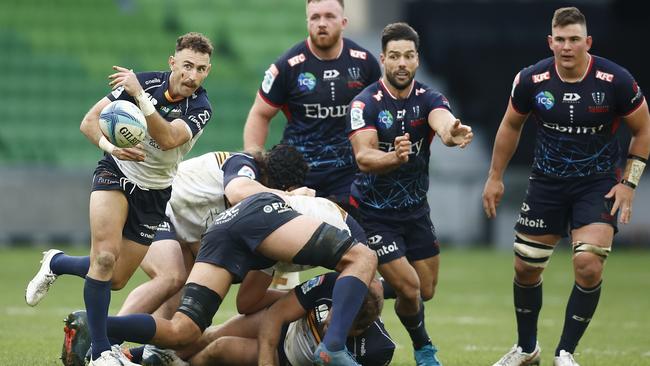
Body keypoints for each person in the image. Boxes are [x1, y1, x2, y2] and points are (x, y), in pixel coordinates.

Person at [25, 32, 215, 365]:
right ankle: (100, 353)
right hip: (115, 173)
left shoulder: (200, 107)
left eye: (200, 69)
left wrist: (139, 96)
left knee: (115, 278)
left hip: (154, 193)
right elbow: (89, 122)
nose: (192, 75)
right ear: (173, 63)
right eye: (187, 66)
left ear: (207, 71)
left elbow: (169, 138)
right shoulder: (145, 82)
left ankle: (57, 262)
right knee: (104, 259)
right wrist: (114, 149)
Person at [482, 7, 650, 366]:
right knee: (526, 268)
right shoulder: (531, 80)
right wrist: (495, 177)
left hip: (598, 184)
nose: (567, 46)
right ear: (550, 42)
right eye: (560, 39)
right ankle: (527, 349)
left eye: (574, 39)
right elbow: (511, 126)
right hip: (547, 185)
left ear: (587, 41)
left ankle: (565, 352)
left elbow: (643, 128)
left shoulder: (616, 80)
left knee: (589, 264)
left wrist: (629, 184)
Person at [61, 191, 378, 366]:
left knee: (183, 331)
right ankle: (333, 349)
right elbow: (369, 280)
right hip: (263, 213)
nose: (325, 321)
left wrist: (296, 298)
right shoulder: (350, 239)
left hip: (229, 227)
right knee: (365, 258)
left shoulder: (293, 245)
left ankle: (95, 324)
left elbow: (248, 302)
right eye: (336, 317)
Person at [346, 23, 473, 366]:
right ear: (383, 58)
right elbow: (364, 157)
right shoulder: (364, 103)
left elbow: (442, 121)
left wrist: (451, 132)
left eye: (409, 56)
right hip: (373, 213)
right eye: (395, 56)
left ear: (417, 60)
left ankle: (356, 287)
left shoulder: (429, 98)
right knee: (411, 287)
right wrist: (393, 157)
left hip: (415, 211)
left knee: (425, 290)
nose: (402, 63)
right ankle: (425, 350)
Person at [243, 0, 381, 201]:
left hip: (348, 175)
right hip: (299, 174)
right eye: (315, 17)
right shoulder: (287, 66)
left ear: (343, 22)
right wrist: (253, 164)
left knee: (351, 230)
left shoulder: (365, 63)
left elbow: (378, 114)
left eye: (329, 16)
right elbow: (260, 114)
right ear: (307, 22)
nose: (322, 23)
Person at [143, 273, 394, 366]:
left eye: (338, 326)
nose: (329, 322)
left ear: (360, 328)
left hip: (289, 358)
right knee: (211, 335)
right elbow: (277, 315)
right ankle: (144, 355)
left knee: (219, 349)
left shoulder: (378, 350)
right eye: (332, 314)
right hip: (287, 325)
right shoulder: (333, 285)